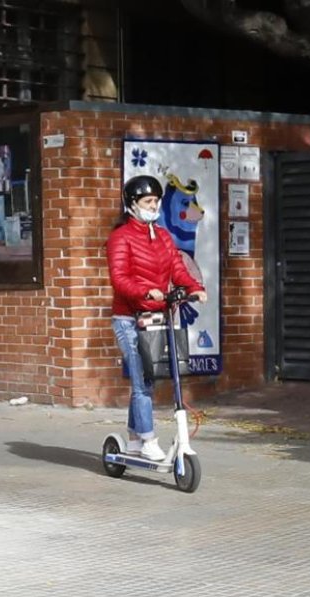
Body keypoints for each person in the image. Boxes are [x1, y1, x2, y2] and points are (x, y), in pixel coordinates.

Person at [106, 175, 207, 461]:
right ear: (132, 204)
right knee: (141, 382)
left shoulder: (162, 235)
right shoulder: (120, 238)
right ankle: (149, 440)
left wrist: (194, 287)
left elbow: (176, 266)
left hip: (157, 316)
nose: (154, 206)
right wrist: (146, 292)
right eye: (148, 201)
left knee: (148, 379)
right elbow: (120, 279)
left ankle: (134, 438)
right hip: (129, 319)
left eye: (156, 201)